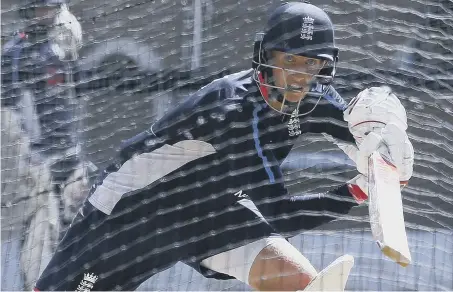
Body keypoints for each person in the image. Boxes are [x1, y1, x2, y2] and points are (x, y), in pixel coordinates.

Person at [34, 2, 414, 291]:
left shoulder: (314, 95)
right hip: (134, 214)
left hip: (210, 208)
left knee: (300, 283)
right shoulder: (232, 113)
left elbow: (358, 134)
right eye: (290, 61)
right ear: (266, 58)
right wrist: (357, 191)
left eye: (312, 65)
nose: (300, 76)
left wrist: (385, 142)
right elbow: (281, 215)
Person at [1, 0, 96, 289]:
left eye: (51, 8)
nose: (48, 14)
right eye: (41, 9)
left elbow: (75, 89)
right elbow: (9, 112)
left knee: (80, 239)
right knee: (40, 248)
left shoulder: (61, 41)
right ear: (29, 12)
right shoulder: (16, 54)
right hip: (35, 168)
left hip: (70, 158)